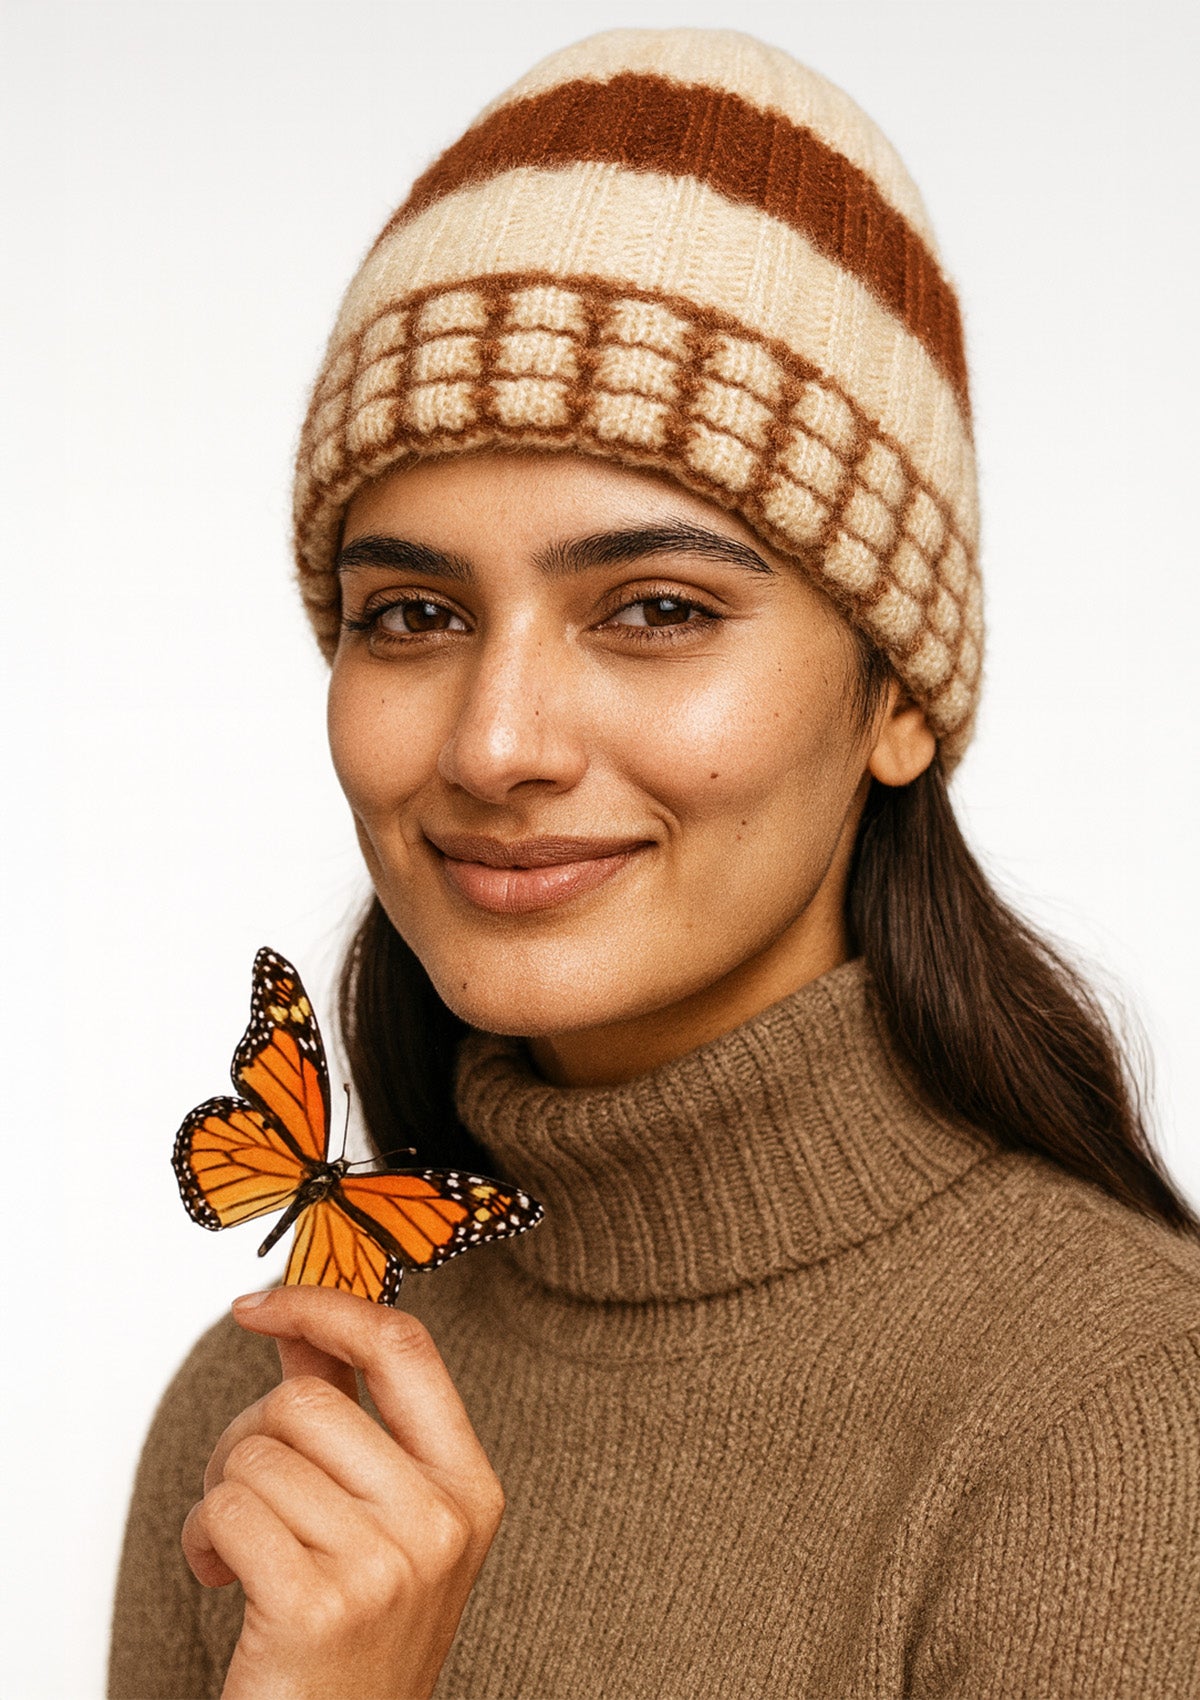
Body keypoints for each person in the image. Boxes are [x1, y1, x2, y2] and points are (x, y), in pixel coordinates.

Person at [109, 26, 1200, 1700]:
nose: (494, 743)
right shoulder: (272, 1419)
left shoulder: (1117, 1417)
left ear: (894, 689)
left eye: (657, 611)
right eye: (411, 615)